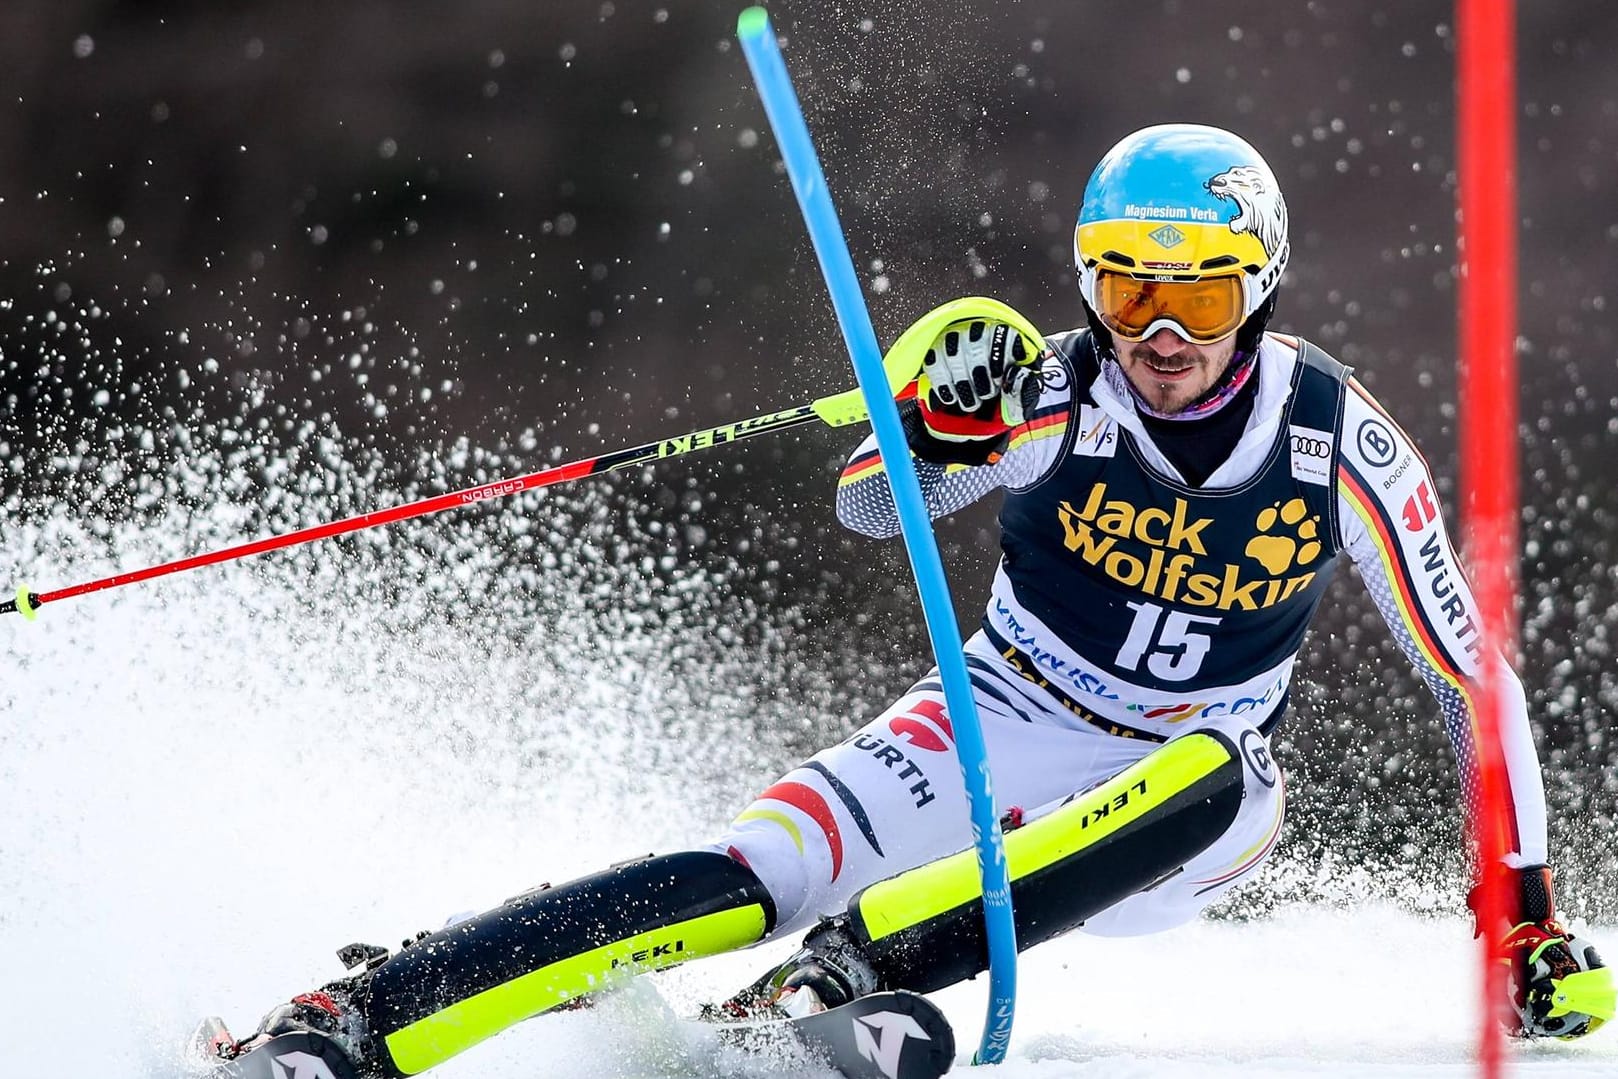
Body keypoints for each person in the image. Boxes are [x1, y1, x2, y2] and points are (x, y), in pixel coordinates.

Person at [215, 124, 1610, 1076]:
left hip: (1180, 801)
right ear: (1089, 287)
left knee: (1222, 769)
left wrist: (1521, 919)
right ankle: (369, 1013)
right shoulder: (1057, 388)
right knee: (754, 865)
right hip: (995, 713)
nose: (1163, 336)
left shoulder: (1329, 438)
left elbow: (1464, 674)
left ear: (1259, 283)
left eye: (1200, 292)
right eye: (1125, 293)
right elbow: (870, 507)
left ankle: (834, 977)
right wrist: (933, 429)